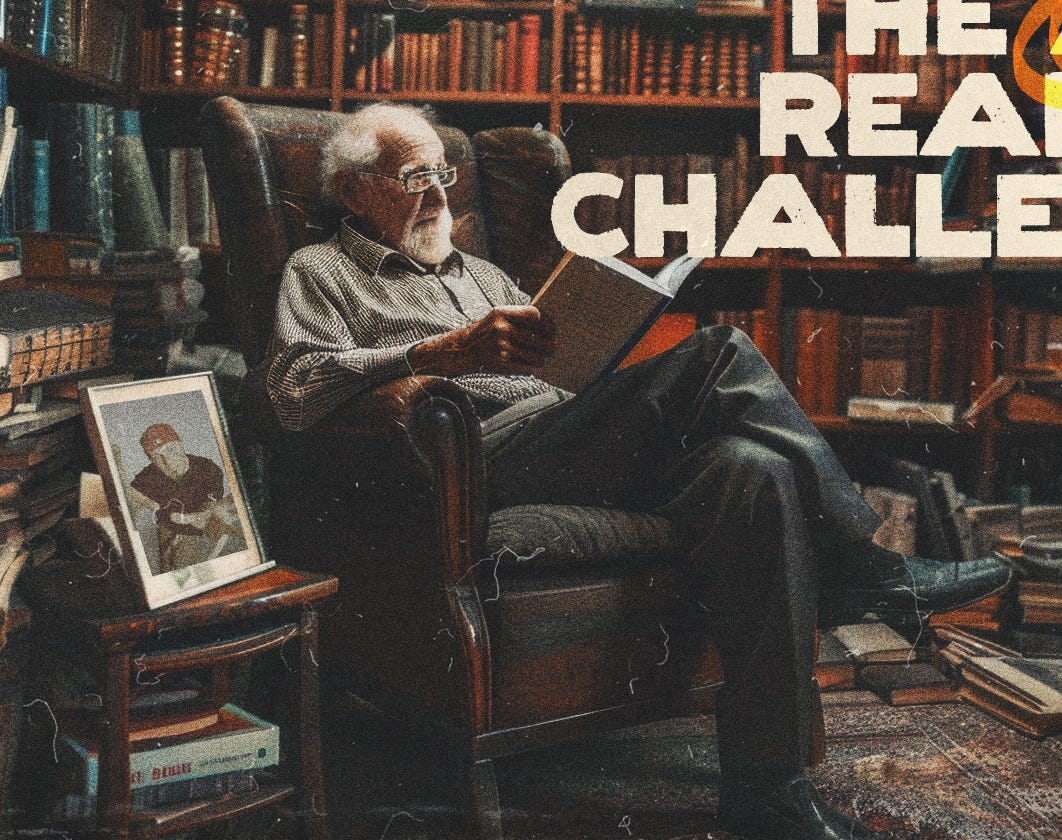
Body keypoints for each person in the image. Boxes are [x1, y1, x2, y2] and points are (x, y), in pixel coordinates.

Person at [263, 104, 1010, 840]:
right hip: (481, 459)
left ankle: (766, 791)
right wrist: (439, 354)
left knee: (753, 470)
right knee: (722, 354)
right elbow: (294, 388)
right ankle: (865, 569)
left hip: (570, 433)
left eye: (443, 174)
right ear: (356, 192)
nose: (439, 197)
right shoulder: (322, 272)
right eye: (414, 177)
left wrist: (601, 345)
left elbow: (558, 369)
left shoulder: (482, 273)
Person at [131, 422, 244, 571]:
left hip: (206, 518)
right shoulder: (147, 478)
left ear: (181, 444)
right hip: (172, 527)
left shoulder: (207, 468)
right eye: (157, 456)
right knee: (176, 569)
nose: (168, 460)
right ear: (151, 460)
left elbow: (212, 506)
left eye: (171, 449)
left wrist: (205, 515)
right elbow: (130, 504)